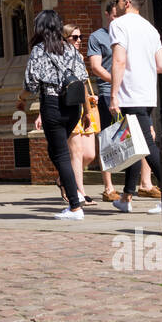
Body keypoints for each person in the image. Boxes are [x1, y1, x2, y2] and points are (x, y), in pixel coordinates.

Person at [18, 9, 92, 219]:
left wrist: (20, 99)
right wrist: (86, 111)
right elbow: (82, 80)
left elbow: (30, 84)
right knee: (57, 151)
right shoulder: (71, 49)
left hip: (52, 105)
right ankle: (68, 187)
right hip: (73, 106)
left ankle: (75, 206)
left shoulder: (39, 51)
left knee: (61, 155)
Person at [87, 0, 159, 203]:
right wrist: (118, 80)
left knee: (141, 139)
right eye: (114, 16)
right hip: (110, 93)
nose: (118, 19)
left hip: (133, 95)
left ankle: (143, 185)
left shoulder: (133, 32)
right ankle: (109, 188)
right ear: (108, 15)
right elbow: (96, 67)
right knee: (112, 140)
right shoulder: (98, 37)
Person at [108, 0, 162, 214]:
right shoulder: (150, 28)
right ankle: (126, 197)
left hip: (129, 93)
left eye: (116, 1)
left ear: (126, 3)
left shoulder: (118, 25)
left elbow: (119, 61)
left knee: (145, 145)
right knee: (133, 144)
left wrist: (114, 95)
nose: (115, 6)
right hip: (147, 93)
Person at [59, 24, 99, 207]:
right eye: (74, 37)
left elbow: (82, 83)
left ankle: (63, 177)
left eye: (80, 37)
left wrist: (89, 100)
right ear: (64, 39)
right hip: (69, 106)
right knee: (76, 152)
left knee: (89, 155)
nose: (79, 41)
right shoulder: (59, 58)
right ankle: (80, 193)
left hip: (85, 107)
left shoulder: (79, 57)